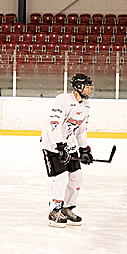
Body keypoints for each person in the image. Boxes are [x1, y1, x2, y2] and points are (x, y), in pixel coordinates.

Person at [41, 73, 94, 227]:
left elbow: (81, 130)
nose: (90, 90)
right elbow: (54, 124)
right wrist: (59, 145)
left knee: (77, 177)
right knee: (62, 177)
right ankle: (54, 211)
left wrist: (85, 149)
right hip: (52, 145)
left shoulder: (85, 106)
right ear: (78, 87)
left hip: (69, 146)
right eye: (87, 86)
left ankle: (67, 208)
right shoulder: (62, 100)